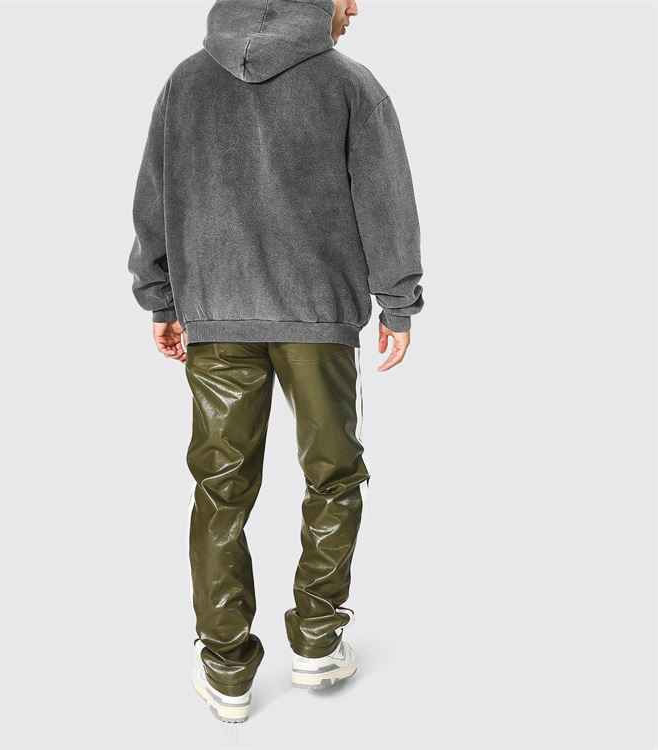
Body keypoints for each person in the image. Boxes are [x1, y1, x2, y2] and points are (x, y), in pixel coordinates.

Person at [128, 0, 423, 723]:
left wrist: (161, 298)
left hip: (217, 313)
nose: (355, 8)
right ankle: (318, 641)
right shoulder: (349, 84)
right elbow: (385, 199)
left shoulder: (185, 83)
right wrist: (397, 302)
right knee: (334, 474)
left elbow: (154, 198)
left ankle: (226, 668)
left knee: (220, 489)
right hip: (317, 317)